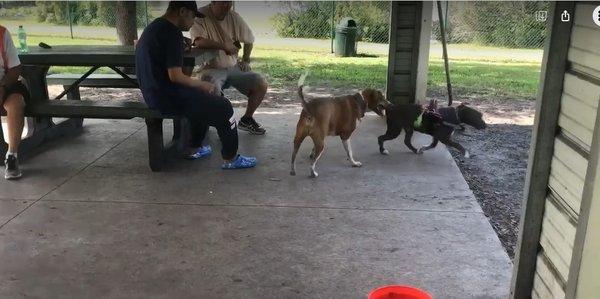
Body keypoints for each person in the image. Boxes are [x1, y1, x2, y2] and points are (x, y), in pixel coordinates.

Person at [135, 1, 256, 170]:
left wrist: (180, 47)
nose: (193, 23)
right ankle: (231, 158)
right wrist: (201, 84)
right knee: (224, 108)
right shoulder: (171, 32)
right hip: (165, 96)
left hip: (152, 92)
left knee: (201, 100)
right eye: (192, 17)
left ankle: (195, 148)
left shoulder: (155, 27)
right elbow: (176, 76)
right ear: (183, 11)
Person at [190, 1, 268, 135]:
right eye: (223, 2)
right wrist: (224, 46)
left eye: (229, 2)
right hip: (210, 68)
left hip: (232, 66)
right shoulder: (200, 16)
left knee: (261, 83)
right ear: (214, 2)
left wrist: (246, 59)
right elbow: (198, 41)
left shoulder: (234, 17)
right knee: (211, 89)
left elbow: (249, 39)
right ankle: (217, 125)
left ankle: (247, 119)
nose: (227, 6)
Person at [1, 24, 28, 180]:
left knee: (17, 103)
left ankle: (12, 156)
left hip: (6, 82)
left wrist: (3, 86)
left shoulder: (2, 33)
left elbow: (15, 68)